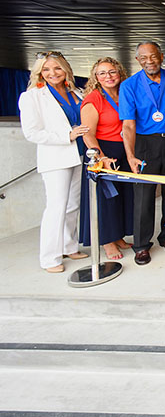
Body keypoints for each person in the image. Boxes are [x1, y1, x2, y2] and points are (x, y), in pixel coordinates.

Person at [18, 51, 89, 272]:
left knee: (72, 205)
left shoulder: (75, 92)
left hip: (78, 154)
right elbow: (31, 133)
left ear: (65, 69)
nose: (52, 73)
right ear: (39, 72)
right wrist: (66, 136)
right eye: (46, 69)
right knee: (56, 207)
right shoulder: (31, 97)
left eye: (57, 68)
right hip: (56, 157)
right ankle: (50, 258)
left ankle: (69, 246)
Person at [119, 41, 165, 265]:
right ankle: (141, 245)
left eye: (153, 56)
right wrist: (130, 155)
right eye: (144, 58)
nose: (150, 61)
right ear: (138, 60)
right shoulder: (129, 85)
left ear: (162, 56)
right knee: (144, 197)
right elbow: (127, 126)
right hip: (145, 145)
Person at [79, 57, 134, 260]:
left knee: (121, 197)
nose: (108, 76)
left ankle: (118, 236)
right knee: (105, 200)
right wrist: (101, 157)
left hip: (123, 150)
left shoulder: (123, 94)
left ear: (119, 73)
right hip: (102, 151)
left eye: (112, 72)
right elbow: (87, 133)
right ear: (96, 77)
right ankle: (107, 242)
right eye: (102, 73)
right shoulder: (94, 99)